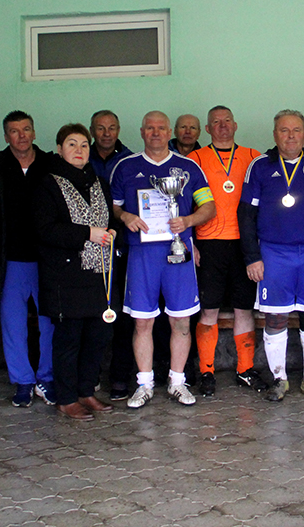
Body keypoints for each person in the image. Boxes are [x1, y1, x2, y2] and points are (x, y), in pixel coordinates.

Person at [110, 111, 216, 408]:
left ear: (169, 132)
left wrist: (188, 220)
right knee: (142, 322)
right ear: (141, 132)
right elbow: (114, 207)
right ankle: (144, 384)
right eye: (150, 128)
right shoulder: (125, 166)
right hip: (142, 254)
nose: (155, 133)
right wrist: (125, 216)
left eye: (161, 128)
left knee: (181, 320)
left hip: (178, 253)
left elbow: (209, 207)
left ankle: (177, 382)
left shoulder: (188, 166)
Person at [238, 109, 304, 402]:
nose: (291, 136)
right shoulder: (260, 167)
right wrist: (252, 256)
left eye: (296, 130)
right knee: (275, 317)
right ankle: (279, 379)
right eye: (284, 130)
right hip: (274, 253)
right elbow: (246, 214)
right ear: (275, 135)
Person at [34, 124, 119, 421]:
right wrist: (87, 234)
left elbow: (110, 220)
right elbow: (45, 229)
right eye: (72, 144)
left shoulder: (99, 182)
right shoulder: (47, 184)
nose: (79, 150)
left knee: (97, 336)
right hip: (67, 276)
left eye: (84, 144)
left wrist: (112, 232)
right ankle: (66, 398)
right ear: (60, 149)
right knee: (69, 340)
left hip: (100, 274)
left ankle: (86, 392)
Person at [187, 106, 266, 396]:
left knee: (244, 308)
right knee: (208, 308)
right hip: (209, 244)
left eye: (227, 121)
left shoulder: (253, 157)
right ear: (207, 129)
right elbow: (184, 204)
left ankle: (245, 369)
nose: (222, 126)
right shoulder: (195, 159)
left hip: (245, 244)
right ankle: (206, 371)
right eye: (216, 122)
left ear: (235, 125)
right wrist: (190, 242)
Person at [0, 111, 55, 408]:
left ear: (34, 133)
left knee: (51, 321)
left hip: (48, 258)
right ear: (6, 136)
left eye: (26, 129)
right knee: (13, 324)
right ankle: (23, 381)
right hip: (10, 259)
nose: (21, 135)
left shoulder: (51, 165)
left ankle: (46, 378)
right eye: (14, 131)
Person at [88, 110, 137, 401]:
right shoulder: (81, 159)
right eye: (100, 128)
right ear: (92, 131)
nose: (106, 133)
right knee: (92, 313)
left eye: (112, 128)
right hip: (89, 248)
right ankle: (90, 374)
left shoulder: (131, 161)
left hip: (124, 247)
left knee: (124, 315)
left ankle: (120, 376)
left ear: (119, 130)